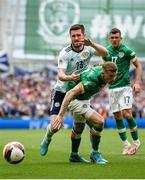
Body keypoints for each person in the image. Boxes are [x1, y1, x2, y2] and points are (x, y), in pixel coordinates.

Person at [40, 24, 108, 162]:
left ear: (84, 35)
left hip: (79, 93)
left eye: (79, 35)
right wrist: (69, 77)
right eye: (73, 36)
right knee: (55, 127)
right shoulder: (65, 53)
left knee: (79, 126)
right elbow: (60, 75)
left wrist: (92, 44)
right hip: (62, 91)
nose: (76, 38)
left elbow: (105, 53)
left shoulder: (88, 49)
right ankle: (47, 138)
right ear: (70, 37)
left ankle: (75, 155)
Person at [52, 62, 117, 164]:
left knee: (79, 127)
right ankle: (95, 154)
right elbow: (70, 93)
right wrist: (60, 115)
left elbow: (102, 63)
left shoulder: (104, 70)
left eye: (114, 75)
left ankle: (74, 155)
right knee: (99, 122)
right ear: (103, 73)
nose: (113, 78)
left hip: (84, 99)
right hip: (74, 99)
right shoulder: (91, 80)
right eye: (111, 76)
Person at [102, 28, 142, 155]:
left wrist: (137, 82)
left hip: (125, 87)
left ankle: (136, 141)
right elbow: (104, 66)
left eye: (116, 37)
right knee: (117, 116)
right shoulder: (106, 51)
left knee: (127, 114)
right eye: (112, 37)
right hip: (112, 89)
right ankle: (126, 144)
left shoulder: (126, 51)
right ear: (110, 38)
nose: (114, 40)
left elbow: (138, 65)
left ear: (121, 38)